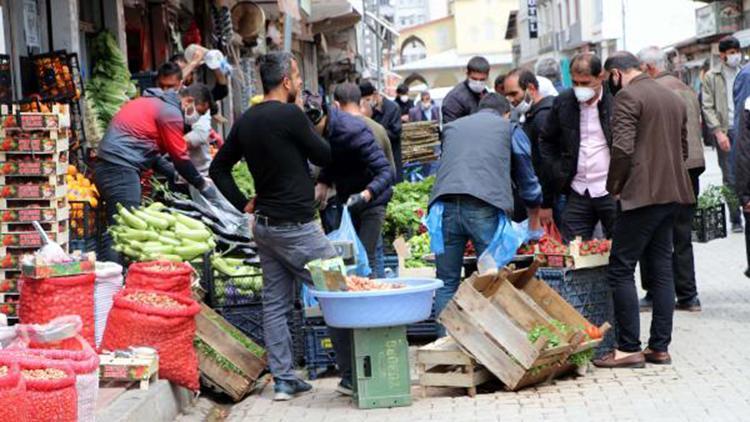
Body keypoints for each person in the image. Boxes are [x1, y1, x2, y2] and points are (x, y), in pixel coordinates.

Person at [209, 52, 351, 401]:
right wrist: (309, 118)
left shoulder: (246, 120)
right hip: (300, 229)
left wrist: (244, 203)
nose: (301, 82)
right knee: (338, 293)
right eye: (298, 76)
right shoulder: (291, 114)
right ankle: (352, 375)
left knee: (275, 303)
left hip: (266, 229)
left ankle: (285, 379)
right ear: (286, 81)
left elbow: (218, 169)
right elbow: (324, 155)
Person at [593, 52, 695, 369]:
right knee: (662, 269)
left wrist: (615, 186)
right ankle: (659, 348)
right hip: (673, 194)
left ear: (615, 73)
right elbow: (682, 149)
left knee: (621, 268)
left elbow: (622, 148)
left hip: (641, 197)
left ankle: (628, 349)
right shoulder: (672, 95)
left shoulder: (627, 96)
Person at [430, 93, 542, 328]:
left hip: (444, 207)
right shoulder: (508, 128)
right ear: (505, 113)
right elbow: (526, 175)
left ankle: (446, 347)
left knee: (447, 282)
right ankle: (493, 344)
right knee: (492, 278)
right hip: (482, 206)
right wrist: (534, 214)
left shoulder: (452, 127)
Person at [96, 62, 217, 263]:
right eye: (199, 111)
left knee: (121, 223)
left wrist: (175, 176)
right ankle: (111, 283)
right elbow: (180, 157)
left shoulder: (155, 102)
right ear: (188, 100)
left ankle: (115, 277)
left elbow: (153, 155)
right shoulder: (170, 113)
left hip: (113, 165)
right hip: (119, 167)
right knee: (122, 228)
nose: (197, 118)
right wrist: (202, 184)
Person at [638, 46, 706, 312]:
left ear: (649, 67)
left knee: (656, 233)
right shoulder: (685, 87)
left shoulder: (657, 91)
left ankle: (656, 292)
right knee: (682, 233)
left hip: (669, 169)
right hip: (693, 167)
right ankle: (689, 295)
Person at [307, 90, 394, 270]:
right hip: (347, 197)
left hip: (373, 198)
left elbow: (386, 171)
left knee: (365, 255)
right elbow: (333, 159)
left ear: (321, 118)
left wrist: (366, 194)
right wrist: (323, 181)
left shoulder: (352, 130)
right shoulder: (324, 133)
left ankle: (372, 295)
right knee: (350, 257)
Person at [539, 53, 616, 241]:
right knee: (573, 250)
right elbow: (547, 141)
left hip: (611, 190)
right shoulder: (563, 102)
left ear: (601, 77)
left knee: (620, 250)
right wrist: (559, 171)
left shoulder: (616, 100)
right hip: (578, 189)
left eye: (586, 83)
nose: (580, 89)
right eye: (575, 83)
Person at [504, 68, 559, 224]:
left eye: (514, 94)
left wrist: (545, 204)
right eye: (507, 95)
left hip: (546, 200)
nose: (511, 100)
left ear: (531, 89)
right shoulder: (529, 116)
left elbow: (546, 163)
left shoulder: (543, 117)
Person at [701, 36, 743, 233]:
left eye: (737, 51)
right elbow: (707, 107)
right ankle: (735, 219)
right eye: (731, 52)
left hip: (745, 128)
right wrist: (718, 133)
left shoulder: (745, 71)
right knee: (730, 176)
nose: (735, 56)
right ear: (723, 55)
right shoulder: (711, 76)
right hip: (727, 130)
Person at [360, 81, 403, 182]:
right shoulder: (368, 111)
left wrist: (377, 131)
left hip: (391, 155)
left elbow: (395, 133)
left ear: (375, 95)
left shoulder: (393, 108)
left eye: (368, 99)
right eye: (364, 101)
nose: (367, 103)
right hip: (374, 159)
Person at [170, 50, 229, 119]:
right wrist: (194, 61)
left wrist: (215, 66)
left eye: (188, 70)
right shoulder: (170, 91)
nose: (188, 73)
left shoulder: (198, 90)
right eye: (184, 70)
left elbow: (221, 91)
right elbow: (175, 82)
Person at [442, 56, 490, 123]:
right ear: (467, 74)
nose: (478, 83)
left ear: (487, 77)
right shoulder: (454, 98)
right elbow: (451, 128)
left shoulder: (485, 94)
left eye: (482, 80)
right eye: (474, 79)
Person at [181, 84, 214, 177]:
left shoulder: (202, 113)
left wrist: (171, 147)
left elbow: (200, 136)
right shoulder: (179, 107)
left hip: (199, 171)